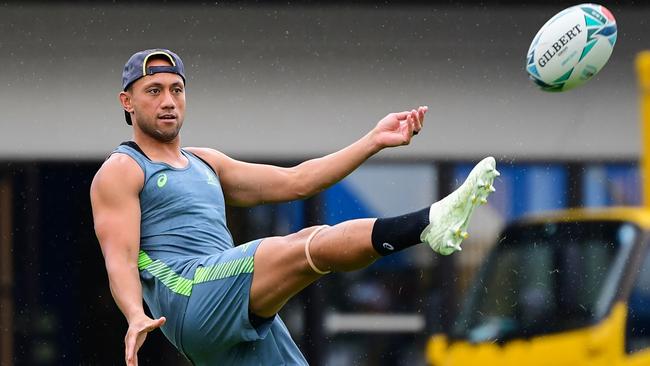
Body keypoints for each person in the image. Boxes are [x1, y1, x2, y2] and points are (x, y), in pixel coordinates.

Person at [90, 48, 499, 366]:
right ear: (127, 101)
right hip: (190, 296)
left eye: (176, 90)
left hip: (230, 309)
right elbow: (119, 259)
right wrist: (133, 315)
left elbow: (298, 181)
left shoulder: (206, 162)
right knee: (303, 244)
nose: (168, 101)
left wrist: (373, 140)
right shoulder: (123, 169)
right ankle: (428, 223)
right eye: (154, 91)